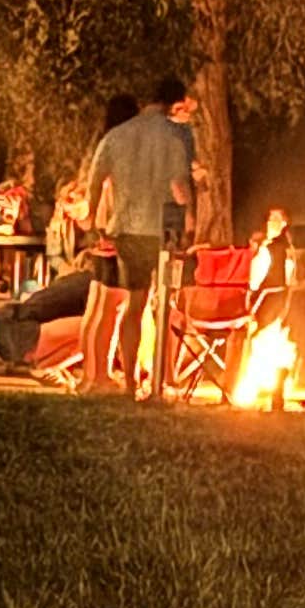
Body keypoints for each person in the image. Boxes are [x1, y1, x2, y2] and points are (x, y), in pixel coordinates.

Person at [81, 76, 195, 396]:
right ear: (175, 103)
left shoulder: (116, 137)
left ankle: (131, 380)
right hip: (161, 229)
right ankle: (161, 378)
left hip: (127, 230)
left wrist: (91, 220)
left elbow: (94, 182)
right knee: (164, 303)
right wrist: (190, 221)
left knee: (134, 304)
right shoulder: (173, 137)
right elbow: (180, 185)